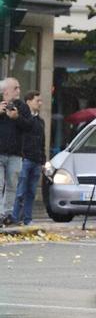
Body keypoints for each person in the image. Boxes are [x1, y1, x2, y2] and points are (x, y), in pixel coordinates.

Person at [12, 91, 46, 225]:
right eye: (37, 101)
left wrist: (43, 160)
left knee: (31, 192)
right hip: (25, 158)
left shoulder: (40, 121)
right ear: (28, 102)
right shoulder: (22, 119)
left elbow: (42, 141)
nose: (40, 103)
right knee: (20, 191)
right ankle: (15, 217)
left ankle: (27, 218)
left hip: (36, 160)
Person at [0, 78, 24, 226]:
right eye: (15, 88)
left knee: (12, 186)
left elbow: (30, 127)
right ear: (5, 91)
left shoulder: (22, 107)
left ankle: (7, 214)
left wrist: (17, 118)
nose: (18, 91)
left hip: (15, 154)